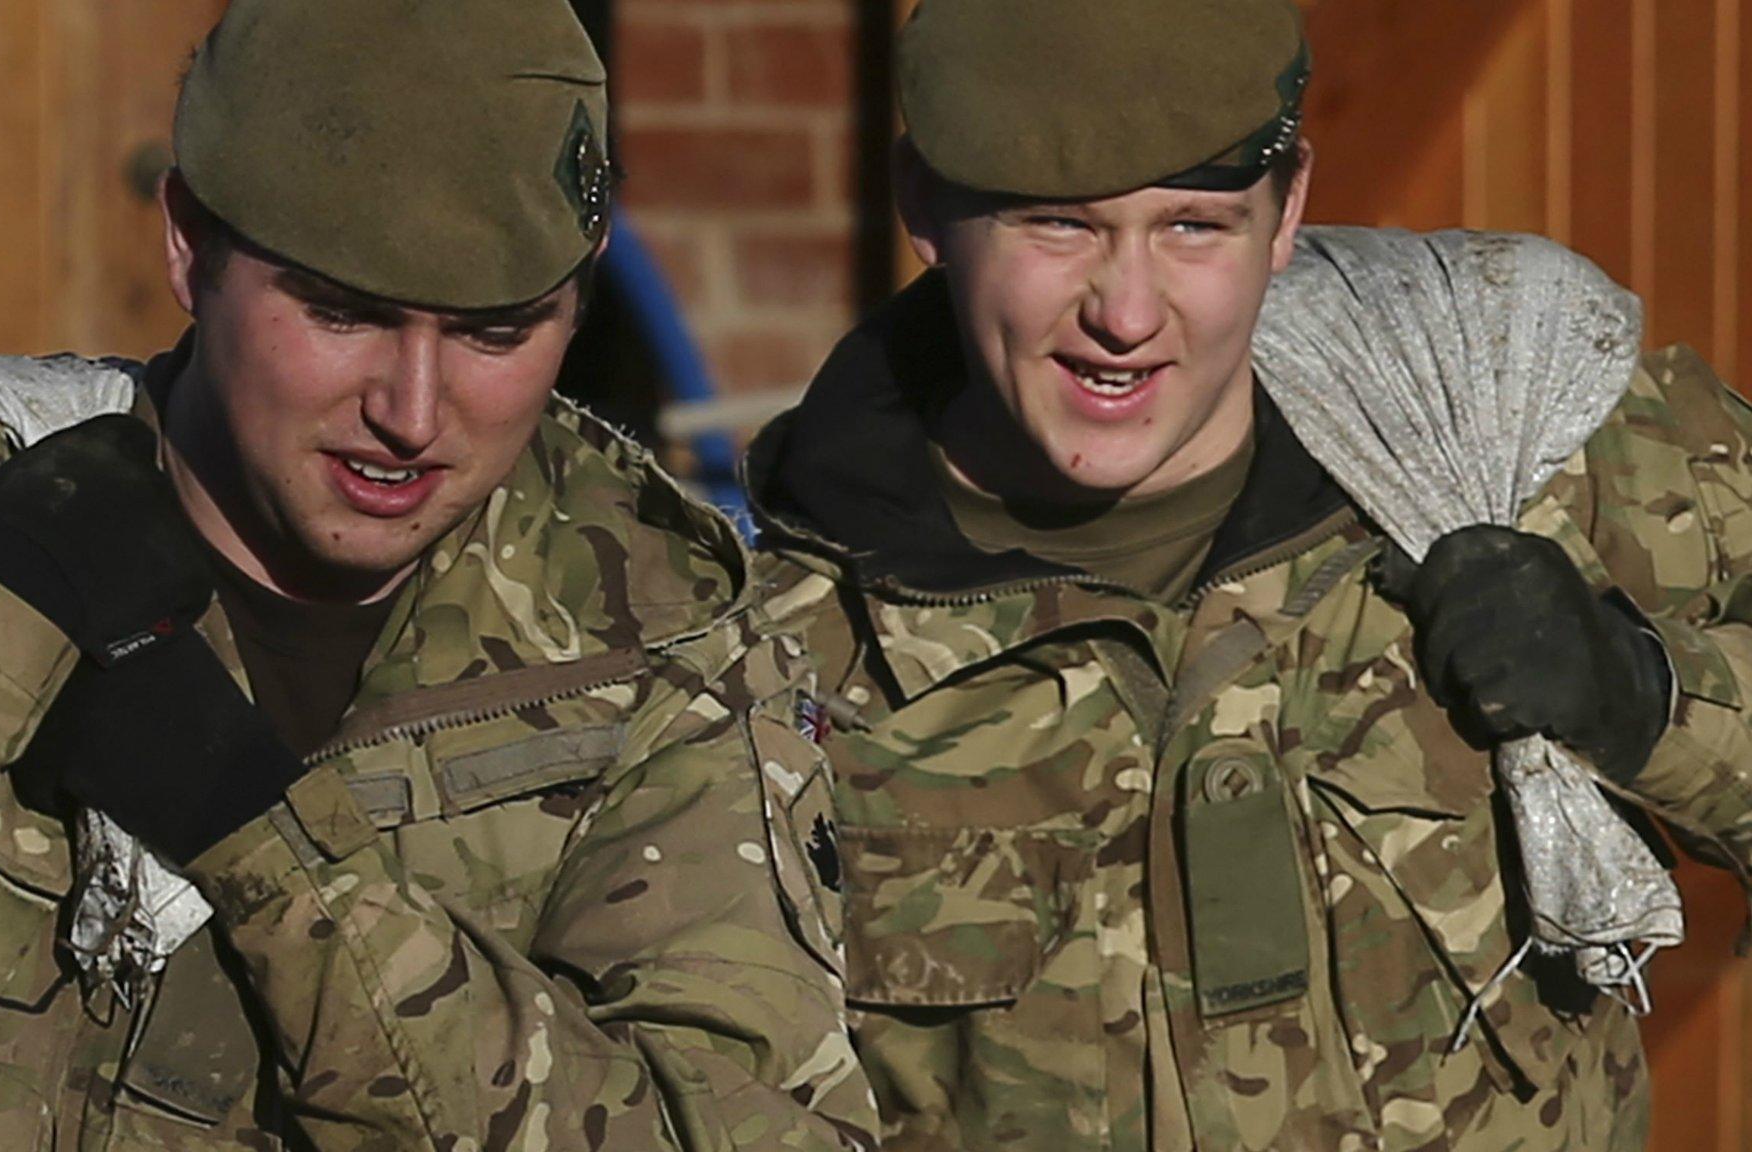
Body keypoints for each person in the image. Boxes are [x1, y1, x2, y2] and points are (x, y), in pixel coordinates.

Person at [0, 1, 875, 1147]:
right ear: (187, 242)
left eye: (494, 334)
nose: (410, 416)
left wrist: (278, 863)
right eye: (341, 313)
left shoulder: (656, 638)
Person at [742, 0, 1752, 1148]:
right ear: (922, 206)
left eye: (1193, 226)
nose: (1122, 315)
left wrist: (1647, 702)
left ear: (1287, 212)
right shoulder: (768, 657)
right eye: (1056, 226)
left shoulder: (1515, 447)